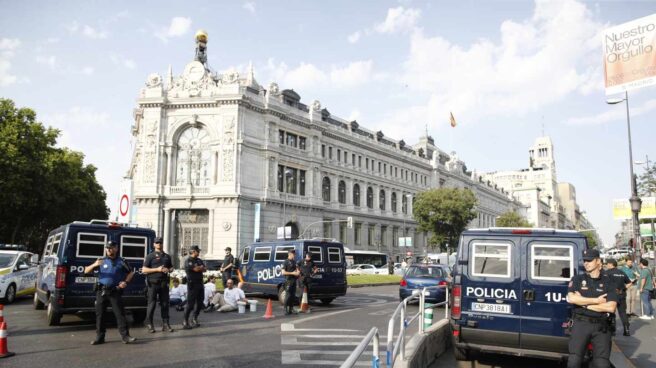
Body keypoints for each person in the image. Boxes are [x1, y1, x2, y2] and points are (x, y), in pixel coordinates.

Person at [566, 249, 618, 368]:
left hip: (601, 326)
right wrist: (597, 301)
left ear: (598, 261)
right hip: (581, 323)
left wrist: (584, 303)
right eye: (585, 260)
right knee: (574, 360)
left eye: (589, 260)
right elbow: (572, 298)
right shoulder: (577, 279)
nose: (586, 263)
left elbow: (610, 307)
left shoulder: (609, 281)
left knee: (602, 363)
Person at [84, 240, 137, 345]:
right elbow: (86, 271)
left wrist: (125, 282)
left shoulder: (121, 261)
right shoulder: (101, 260)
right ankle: (100, 337)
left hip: (114, 291)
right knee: (100, 315)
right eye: (107, 248)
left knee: (120, 314)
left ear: (116, 249)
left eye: (111, 247)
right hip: (101, 291)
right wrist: (95, 264)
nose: (109, 249)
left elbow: (131, 273)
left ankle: (125, 336)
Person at [142, 236, 174, 333]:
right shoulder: (150, 256)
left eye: (160, 243)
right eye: (157, 243)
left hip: (164, 283)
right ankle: (150, 324)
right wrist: (157, 269)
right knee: (151, 304)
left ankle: (165, 324)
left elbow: (171, 268)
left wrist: (169, 269)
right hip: (153, 283)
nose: (159, 244)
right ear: (154, 244)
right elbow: (144, 270)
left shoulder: (167, 256)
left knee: (165, 304)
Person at [604, 258, 632, 336]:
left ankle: (612, 330)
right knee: (623, 313)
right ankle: (626, 330)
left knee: (611, 312)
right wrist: (624, 289)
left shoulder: (607, 273)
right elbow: (630, 283)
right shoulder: (622, 273)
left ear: (611, 264)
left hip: (611, 295)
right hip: (621, 294)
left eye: (607, 264)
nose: (606, 265)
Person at [183, 245, 206, 329]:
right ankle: (185, 321)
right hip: (192, 284)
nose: (199, 252)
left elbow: (204, 269)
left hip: (200, 283)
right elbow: (196, 269)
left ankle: (194, 318)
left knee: (200, 302)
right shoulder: (188, 260)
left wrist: (199, 267)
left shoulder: (199, 260)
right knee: (190, 304)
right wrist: (200, 267)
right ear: (193, 251)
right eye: (197, 251)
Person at [281, 248, 300, 315]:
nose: (294, 255)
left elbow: (297, 270)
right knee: (288, 295)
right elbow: (283, 272)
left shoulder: (294, 262)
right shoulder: (285, 262)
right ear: (290, 254)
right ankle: (285, 309)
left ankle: (291, 309)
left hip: (294, 281)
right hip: (288, 281)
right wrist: (292, 273)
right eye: (293, 254)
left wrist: (298, 272)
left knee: (293, 295)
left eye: (294, 254)